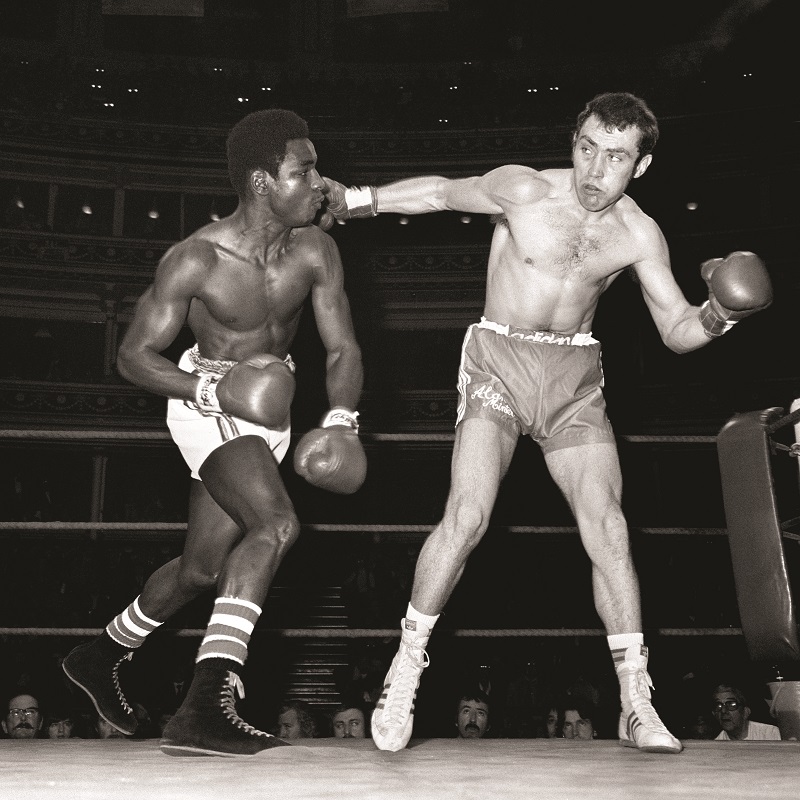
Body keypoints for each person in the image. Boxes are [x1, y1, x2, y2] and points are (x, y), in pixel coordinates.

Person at [323, 91, 773, 755]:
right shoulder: (525, 190)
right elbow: (443, 193)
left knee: (609, 526)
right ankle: (404, 671)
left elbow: (676, 329)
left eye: (615, 156)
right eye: (587, 148)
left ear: (641, 166)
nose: (596, 169)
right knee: (468, 515)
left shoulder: (639, 234)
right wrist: (358, 200)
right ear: (574, 144)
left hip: (574, 377)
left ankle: (635, 701)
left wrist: (721, 315)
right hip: (498, 361)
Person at [61, 108, 365, 758]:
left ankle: (103, 653)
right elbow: (132, 355)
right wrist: (209, 391)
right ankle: (206, 702)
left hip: (272, 403)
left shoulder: (315, 250)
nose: (320, 182)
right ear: (261, 182)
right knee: (275, 526)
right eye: (304, 170)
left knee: (201, 570)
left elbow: (342, 348)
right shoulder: (197, 259)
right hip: (208, 398)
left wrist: (342, 418)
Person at [711, 683, 781, 741]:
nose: (723, 711)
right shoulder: (716, 745)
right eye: (718, 706)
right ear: (714, 714)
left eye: (731, 705)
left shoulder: (769, 733)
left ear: (746, 712)